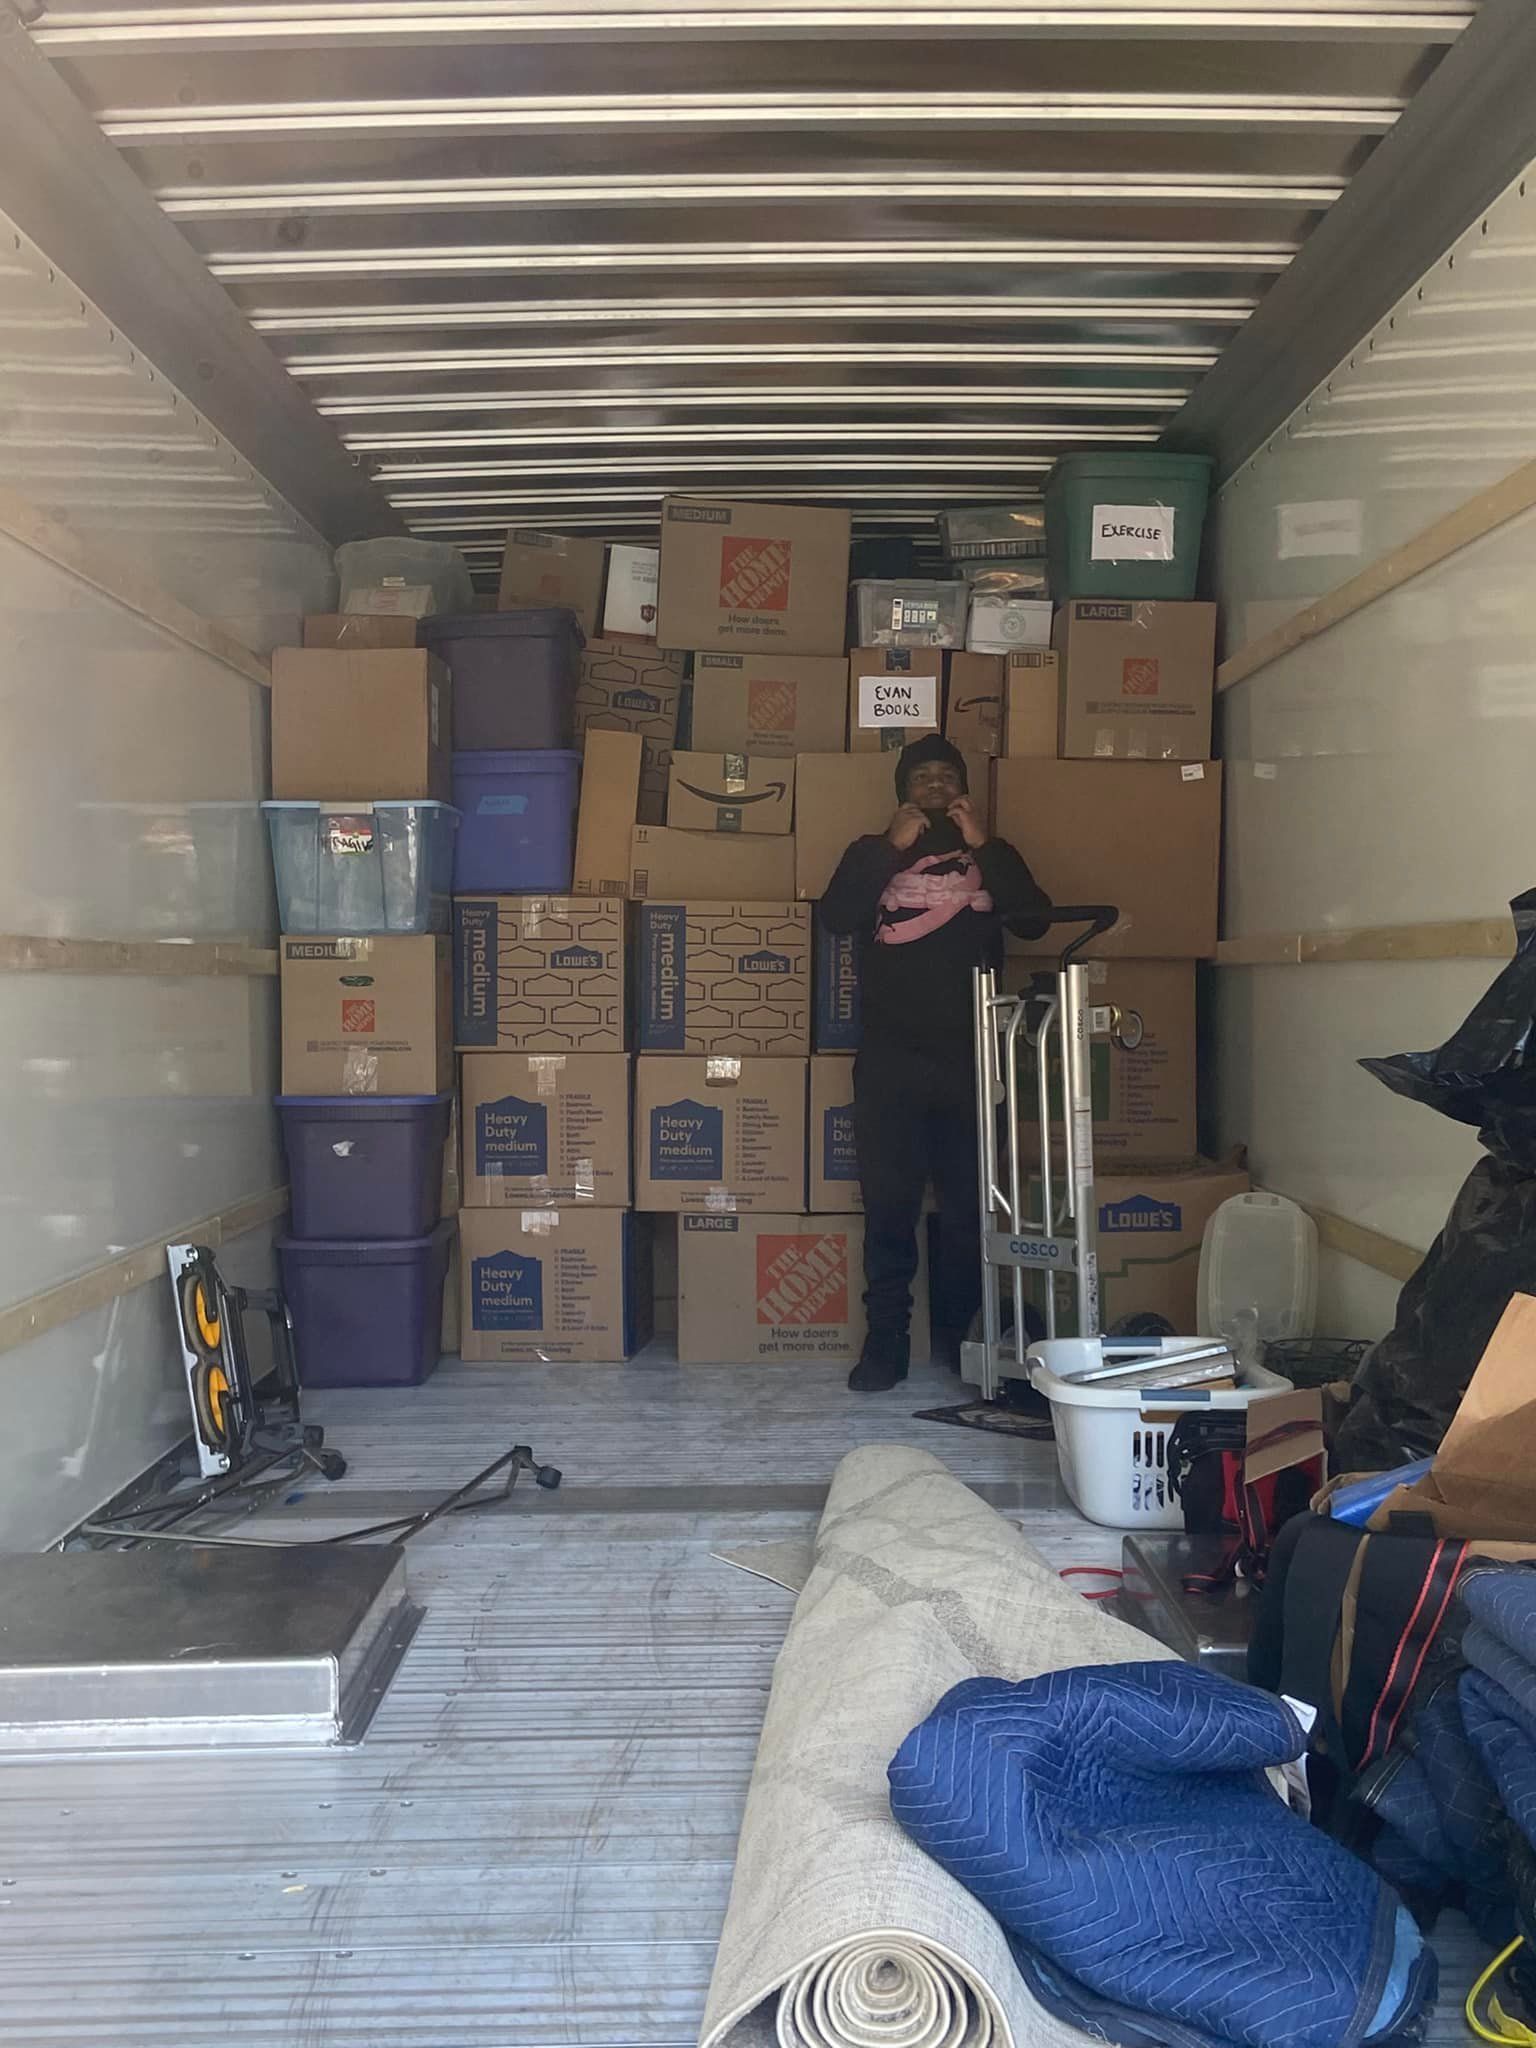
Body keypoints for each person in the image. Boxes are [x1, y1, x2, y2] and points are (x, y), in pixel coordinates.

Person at [819, 735, 1051, 1393]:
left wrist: (986, 845)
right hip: (891, 1059)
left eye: (946, 776)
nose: (935, 786)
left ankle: (960, 1342)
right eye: (921, 777)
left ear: (963, 789)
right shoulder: (873, 851)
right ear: (902, 789)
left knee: (967, 1209)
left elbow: (1033, 921)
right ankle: (885, 1344)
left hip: (971, 1056)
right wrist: (889, 846)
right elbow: (836, 917)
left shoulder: (988, 853)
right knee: (888, 1207)